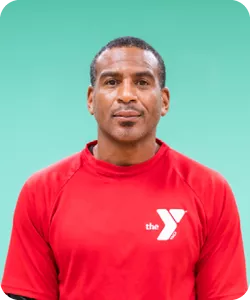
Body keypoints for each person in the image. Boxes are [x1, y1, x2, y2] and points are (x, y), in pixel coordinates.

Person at [0, 36, 248, 300]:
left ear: (163, 101)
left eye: (142, 82)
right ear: (90, 99)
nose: (127, 95)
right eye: (112, 82)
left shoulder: (210, 190)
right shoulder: (41, 191)